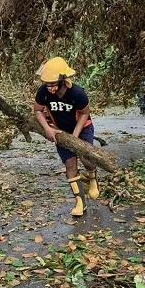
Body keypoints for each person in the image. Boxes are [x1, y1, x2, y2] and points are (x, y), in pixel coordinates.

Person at [34, 57, 99, 217]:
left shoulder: (77, 93)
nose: (49, 88)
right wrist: (47, 129)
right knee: (70, 164)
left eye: (53, 84)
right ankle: (80, 202)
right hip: (61, 131)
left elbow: (85, 113)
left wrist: (75, 138)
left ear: (63, 80)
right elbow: (37, 110)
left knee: (86, 159)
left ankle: (92, 177)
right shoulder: (43, 92)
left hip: (82, 128)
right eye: (47, 84)